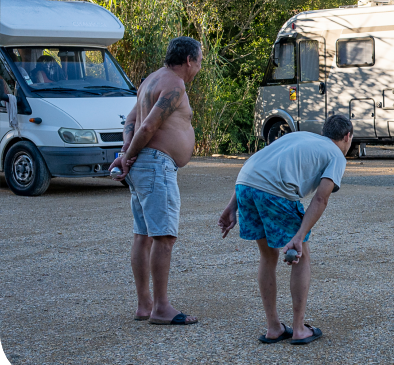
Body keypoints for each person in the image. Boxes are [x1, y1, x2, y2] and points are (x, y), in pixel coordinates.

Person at [218, 115, 353, 345]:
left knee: (267, 256)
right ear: (347, 136)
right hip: (273, 191)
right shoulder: (336, 155)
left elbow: (260, 165)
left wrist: (233, 205)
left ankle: (273, 328)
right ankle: (299, 329)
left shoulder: (300, 136)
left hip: (244, 185)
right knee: (301, 256)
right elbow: (321, 199)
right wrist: (299, 237)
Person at [115, 37, 203, 325]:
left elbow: (131, 119)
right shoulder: (175, 84)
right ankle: (161, 308)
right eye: (199, 61)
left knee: (142, 236)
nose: (198, 67)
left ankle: (145, 304)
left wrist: (125, 152)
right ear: (189, 60)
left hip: (144, 164)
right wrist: (129, 154)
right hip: (155, 166)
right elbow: (149, 124)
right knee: (163, 237)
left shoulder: (151, 79)